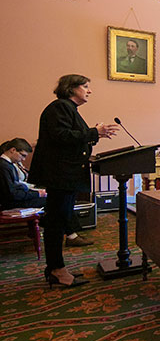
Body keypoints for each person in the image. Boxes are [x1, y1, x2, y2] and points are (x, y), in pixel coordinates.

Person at [29, 74, 118, 287]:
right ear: (71, 88)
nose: (89, 90)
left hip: (64, 176)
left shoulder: (68, 109)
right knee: (56, 223)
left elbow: (73, 137)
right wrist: (93, 132)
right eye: (85, 86)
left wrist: (94, 134)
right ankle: (56, 270)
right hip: (60, 176)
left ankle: (57, 268)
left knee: (59, 221)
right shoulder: (60, 107)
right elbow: (62, 137)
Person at [0, 139, 93, 246]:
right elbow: (12, 194)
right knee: (57, 203)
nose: (24, 159)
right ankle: (69, 234)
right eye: (22, 155)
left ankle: (67, 232)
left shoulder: (7, 165)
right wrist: (37, 194)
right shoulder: (3, 167)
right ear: (13, 150)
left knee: (57, 201)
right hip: (11, 203)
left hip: (16, 198)